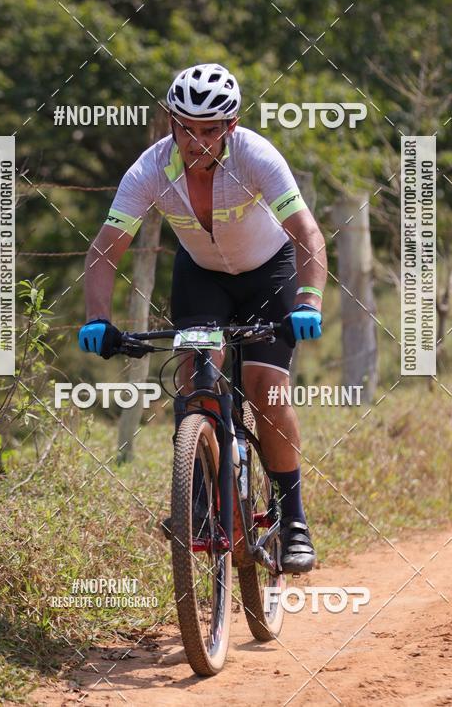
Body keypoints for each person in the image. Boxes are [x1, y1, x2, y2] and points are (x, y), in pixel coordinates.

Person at [78, 63, 327, 573]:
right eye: (186, 128)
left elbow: (307, 233)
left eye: (209, 130)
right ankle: (194, 495)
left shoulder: (257, 157)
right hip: (203, 275)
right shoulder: (150, 169)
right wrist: (97, 317)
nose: (197, 141)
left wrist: (309, 301)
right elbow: (106, 249)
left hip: (269, 272)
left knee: (264, 385)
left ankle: (294, 518)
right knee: (195, 372)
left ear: (230, 127)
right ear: (171, 122)